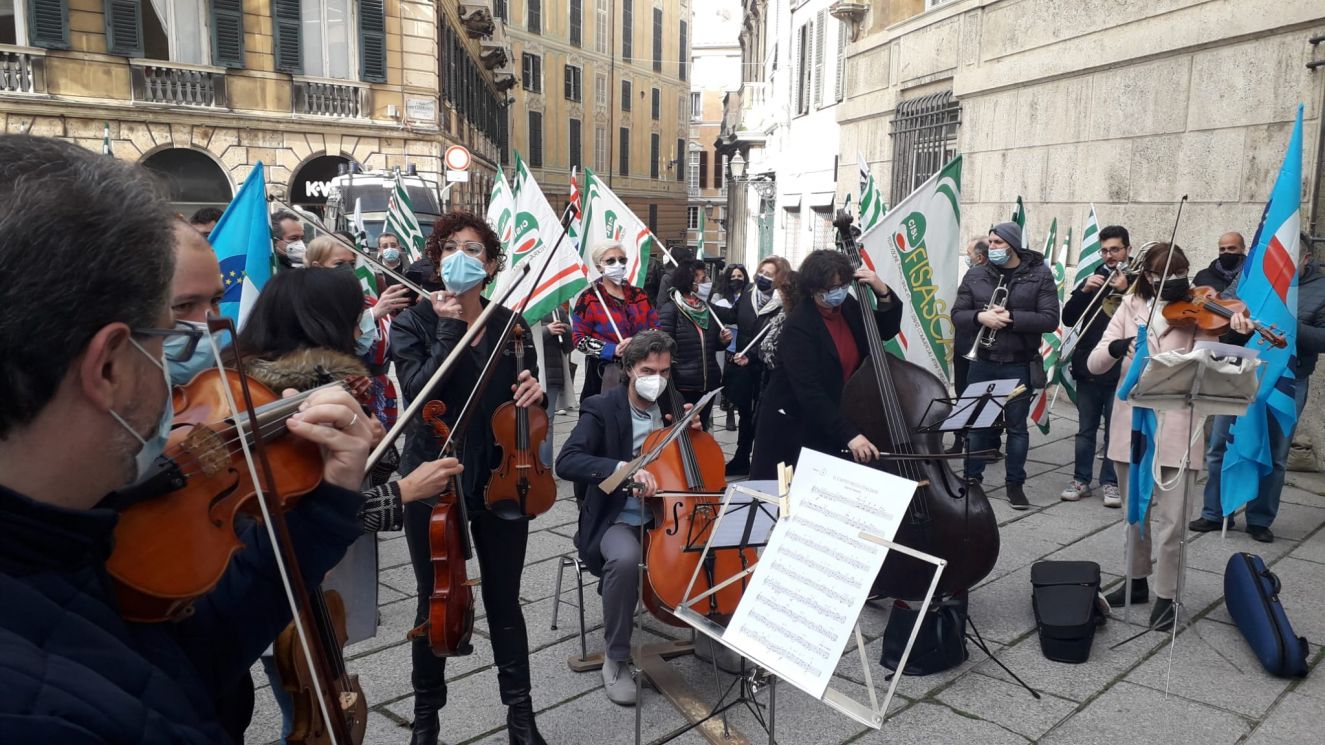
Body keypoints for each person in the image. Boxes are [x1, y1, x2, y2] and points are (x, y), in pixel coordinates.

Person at [0, 134, 375, 742]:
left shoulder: (58, 539)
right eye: (169, 331)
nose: (201, 344)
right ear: (108, 367)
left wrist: (325, 506)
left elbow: (176, 666)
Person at [232, 267, 462, 740]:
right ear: (322, 321)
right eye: (354, 315)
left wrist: (371, 447)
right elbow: (300, 518)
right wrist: (402, 491)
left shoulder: (332, 381)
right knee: (302, 704)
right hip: (281, 581)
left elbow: (352, 478)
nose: (364, 325)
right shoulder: (268, 398)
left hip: (323, 575)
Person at [391, 211, 548, 745]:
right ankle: (426, 720)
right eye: (451, 248)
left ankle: (521, 718)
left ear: (493, 263)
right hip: (434, 474)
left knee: (505, 597)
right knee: (432, 596)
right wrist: (449, 324)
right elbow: (417, 393)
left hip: (502, 477)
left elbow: (524, 396)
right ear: (436, 260)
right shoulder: (413, 321)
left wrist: (534, 392)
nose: (462, 257)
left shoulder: (511, 323)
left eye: (475, 249)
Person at [1087, 243, 1243, 630]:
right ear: (1149, 276)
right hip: (1132, 425)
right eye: (1165, 275)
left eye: (1181, 274)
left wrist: (1236, 338)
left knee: (1173, 521)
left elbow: (1220, 362)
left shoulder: (1199, 312)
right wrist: (1119, 347)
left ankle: (1168, 595)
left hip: (1178, 427)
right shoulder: (1130, 306)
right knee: (1134, 514)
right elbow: (1095, 361)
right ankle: (1136, 580)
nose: (1175, 282)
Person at [556, 330, 703, 707]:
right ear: (629, 369)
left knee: (710, 548)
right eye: (648, 370)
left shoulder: (674, 405)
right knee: (624, 561)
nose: (658, 379)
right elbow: (567, 460)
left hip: (671, 515)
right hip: (617, 517)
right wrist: (623, 468)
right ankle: (616, 658)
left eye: (665, 371)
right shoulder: (601, 408)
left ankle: (709, 638)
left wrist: (697, 437)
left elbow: (696, 466)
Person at [1191, 235, 1324, 542]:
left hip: (1288, 379)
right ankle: (1214, 511)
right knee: (1221, 445)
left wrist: (1289, 325)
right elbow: (1221, 306)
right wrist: (1232, 321)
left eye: (1288, 261)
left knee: (1276, 453)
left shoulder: (1321, 289)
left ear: (1305, 259)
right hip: (1240, 369)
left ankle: (1260, 518)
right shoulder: (1252, 275)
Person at [749, 250, 903, 479]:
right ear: (813, 289)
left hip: (833, 413)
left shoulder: (847, 305)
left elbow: (885, 330)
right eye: (831, 289)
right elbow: (810, 391)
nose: (838, 293)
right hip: (795, 424)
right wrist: (850, 435)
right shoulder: (799, 325)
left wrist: (883, 292)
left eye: (843, 285)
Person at [952, 222, 1060, 510]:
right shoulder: (976, 274)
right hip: (983, 362)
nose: (992, 248)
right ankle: (971, 481)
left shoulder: (1039, 275)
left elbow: (1050, 319)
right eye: (990, 242)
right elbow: (957, 314)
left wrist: (1011, 317)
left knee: (1017, 429)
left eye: (998, 242)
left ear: (1013, 244)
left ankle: (1015, 485)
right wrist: (980, 318)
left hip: (1017, 363)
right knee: (977, 426)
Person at [1058, 225, 1131, 506]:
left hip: (1121, 366)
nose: (1110, 255)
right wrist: (1083, 292)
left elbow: (1144, 318)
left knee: (1115, 428)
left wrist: (1126, 291)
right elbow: (1068, 318)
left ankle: (1110, 482)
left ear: (1127, 250)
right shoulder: (1095, 277)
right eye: (1105, 250)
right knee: (1086, 429)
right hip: (1089, 364)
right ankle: (1081, 479)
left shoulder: (1137, 280)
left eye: (1115, 249)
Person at [722, 257, 789, 474]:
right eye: (762, 272)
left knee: (763, 418)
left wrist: (753, 356)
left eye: (769, 275)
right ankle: (741, 457)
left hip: (765, 372)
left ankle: (763, 462)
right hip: (744, 369)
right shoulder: (749, 293)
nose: (763, 277)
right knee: (745, 414)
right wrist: (704, 303)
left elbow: (779, 342)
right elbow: (732, 315)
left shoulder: (784, 304)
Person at [572, 241, 660, 400]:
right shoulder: (589, 298)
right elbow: (579, 339)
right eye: (611, 261)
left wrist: (636, 342)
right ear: (599, 266)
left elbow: (657, 329)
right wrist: (612, 350)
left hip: (642, 368)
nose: (618, 264)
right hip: (605, 373)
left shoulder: (639, 295)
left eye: (622, 260)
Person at [658, 258, 732, 429]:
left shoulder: (707, 309)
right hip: (682, 384)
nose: (706, 281)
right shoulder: (671, 309)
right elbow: (665, 347)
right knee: (680, 430)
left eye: (705, 277)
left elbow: (712, 345)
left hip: (708, 384)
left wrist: (722, 341)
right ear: (688, 281)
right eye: (701, 278)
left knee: (701, 429)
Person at [949, 237, 990, 454]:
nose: (967, 257)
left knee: (976, 395)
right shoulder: (973, 275)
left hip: (977, 346)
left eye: (969, 253)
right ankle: (962, 438)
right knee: (964, 393)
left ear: (980, 257)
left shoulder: (987, 277)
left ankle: (979, 442)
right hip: (966, 344)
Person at [539, 304, 577, 467]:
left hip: (552, 374)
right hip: (528, 372)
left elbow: (569, 346)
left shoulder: (556, 308)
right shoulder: (528, 305)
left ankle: (545, 469)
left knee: (546, 423)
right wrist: (547, 330)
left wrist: (566, 329)